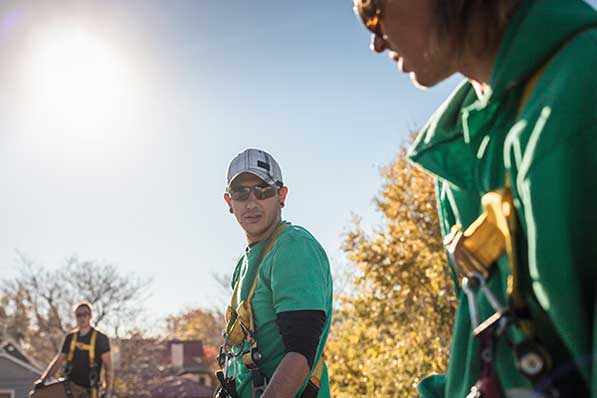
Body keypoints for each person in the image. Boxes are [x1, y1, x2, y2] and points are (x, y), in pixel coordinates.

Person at [353, 0, 596, 397]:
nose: (375, 41)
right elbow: (485, 351)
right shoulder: (453, 165)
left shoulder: (582, 91)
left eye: (373, 9)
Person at [215, 148, 333, 398]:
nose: (252, 203)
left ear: (282, 195)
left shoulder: (293, 245)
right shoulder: (246, 262)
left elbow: (300, 354)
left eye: (263, 191)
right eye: (241, 193)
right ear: (229, 202)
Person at [36, 302, 113, 398]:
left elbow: (108, 367)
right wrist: (43, 380)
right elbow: (58, 361)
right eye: (79, 315)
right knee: (37, 395)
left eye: (85, 314)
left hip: (88, 390)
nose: (82, 318)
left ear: (90, 316)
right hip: (69, 386)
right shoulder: (70, 338)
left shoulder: (101, 339)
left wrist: (107, 391)